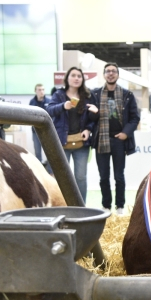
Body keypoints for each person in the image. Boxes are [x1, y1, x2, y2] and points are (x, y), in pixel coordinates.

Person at [91, 63, 140, 215]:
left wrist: (126, 133)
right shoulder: (95, 94)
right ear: (104, 75)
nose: (111, 74)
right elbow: (90, 118)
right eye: (108, 71)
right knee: (103, 176)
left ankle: (120, 206)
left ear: (118, 75)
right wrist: (94, 113)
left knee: (119, 176)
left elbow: (134, 117)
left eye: (113, 71)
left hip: (119, 140)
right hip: (101, 139)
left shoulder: (127, 95)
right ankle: (106, 206)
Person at [47, 67, 99, 202]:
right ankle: (62, 203)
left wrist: (88, 129)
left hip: (81, 143)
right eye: (73, 75)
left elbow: (93, 119)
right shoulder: (59, 95)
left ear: (82, 80)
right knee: (61, 176)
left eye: (79, 76)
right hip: (61, 142)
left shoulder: (88, 96)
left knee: (81, 176)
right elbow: (49, 111)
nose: (76, 78)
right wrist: (63, 106)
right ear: (67, 78)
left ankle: (81, 206)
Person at [29, 83, 52, 172]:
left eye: (43, 89)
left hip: (47, 131)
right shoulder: (32, 102)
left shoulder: (49, 101)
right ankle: (40, 172)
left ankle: (50, 172)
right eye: (39, 90)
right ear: (35, 91)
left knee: (50, 152)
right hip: (36, 131)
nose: (41, 91)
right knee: (37, 153)